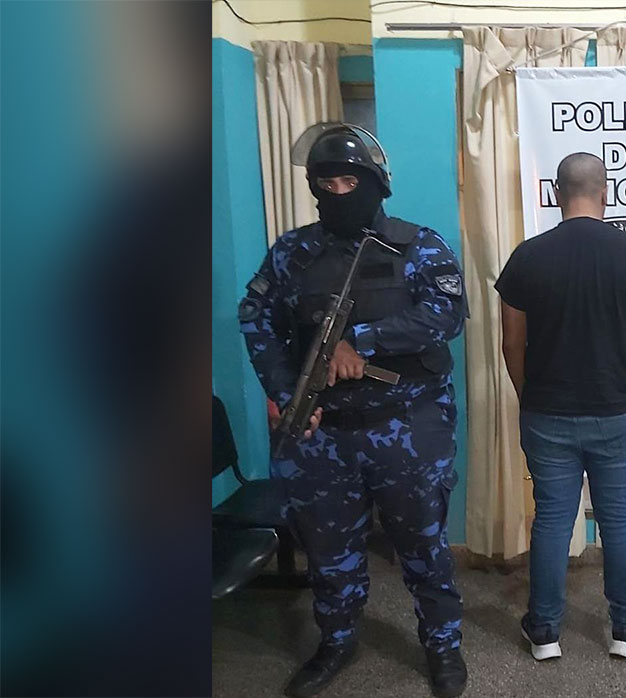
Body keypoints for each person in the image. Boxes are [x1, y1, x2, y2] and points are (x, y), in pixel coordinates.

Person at [239, 123, 468, 698]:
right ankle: (337, 641)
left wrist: (360, 341)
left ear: (376, 184)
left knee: (424, 546)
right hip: (323, 436)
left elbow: (446, 314)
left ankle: (442, 644)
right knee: (328, 551)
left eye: (350, 181)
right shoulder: (292, 253)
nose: (339, 193)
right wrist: (287, 391)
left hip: (407, 426)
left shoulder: (417, 246)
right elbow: (256, 318)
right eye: (328, 183)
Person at [494, 152, 626, 661]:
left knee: (552, 519)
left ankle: (544, 631)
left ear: (556, 193)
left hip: (547, 411)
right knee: (619, 520)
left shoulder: (527, 256)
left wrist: (528, 394)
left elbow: (511, 343)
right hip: (617, 411)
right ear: (605, 192)